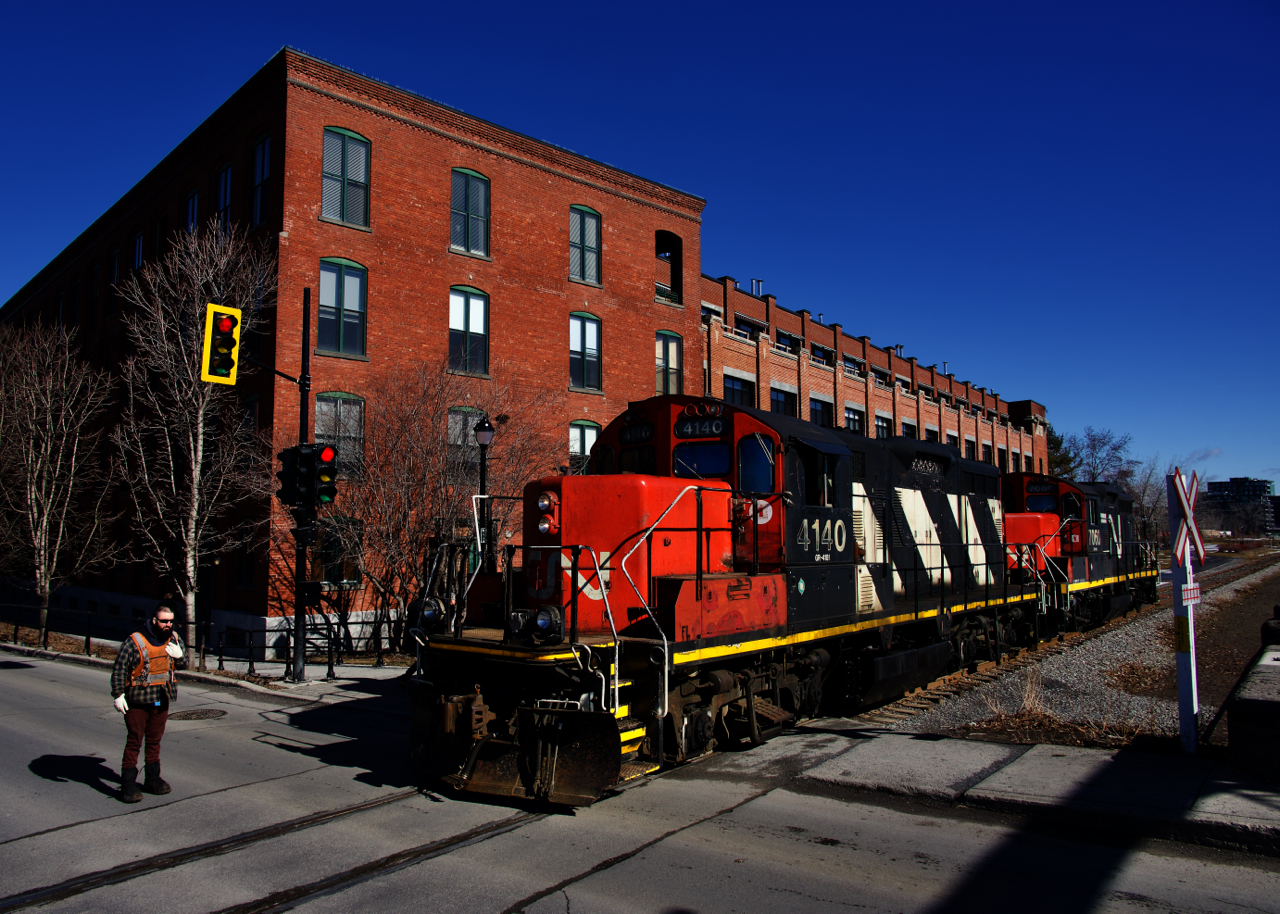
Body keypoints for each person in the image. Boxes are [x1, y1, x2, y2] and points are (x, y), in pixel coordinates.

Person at [110, 600, 185, 803]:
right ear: (154, 620)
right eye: (163, 621)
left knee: (154, 740)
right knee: (135, 740)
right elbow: (119, 668)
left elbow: (183, 664)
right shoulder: (134, 641)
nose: (168, 625)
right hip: (137, 700)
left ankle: (152, 778)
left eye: (171, 621)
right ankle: (128, 785)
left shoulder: (174, 639)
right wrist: (118, 694)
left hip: (161, 698)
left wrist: (181, 656)